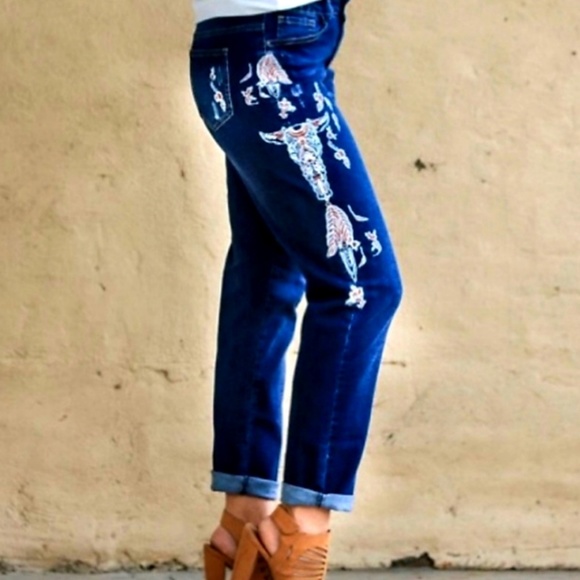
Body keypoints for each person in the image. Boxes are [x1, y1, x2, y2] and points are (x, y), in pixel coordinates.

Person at [189, 1, 403, 578]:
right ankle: (300, 529)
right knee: (363, 286)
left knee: (266, 274)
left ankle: (243, 518)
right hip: (274, 53)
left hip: (245, 48)